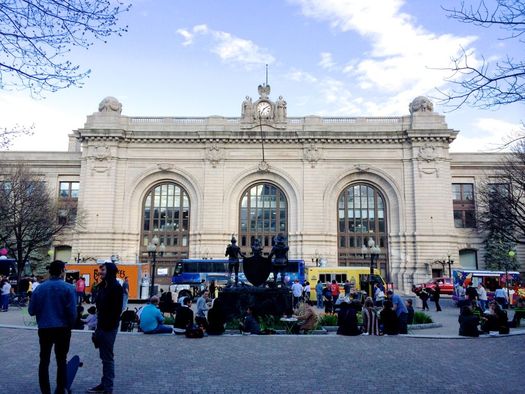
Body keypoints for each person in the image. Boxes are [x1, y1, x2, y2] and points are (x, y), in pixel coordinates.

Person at [28, 260, 77, 394]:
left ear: (50, 271)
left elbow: (31, 310)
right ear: (62, 271)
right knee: (61, 360)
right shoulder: (69, 288)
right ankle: (60, 389)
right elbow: (72, 312)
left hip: (44, 328)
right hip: (62, 328)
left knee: (44, 360)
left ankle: (45, 391)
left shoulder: (39, 288)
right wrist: (71, 325)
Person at [87, 262, 123, 394]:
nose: (100, 272)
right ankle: (104, 383)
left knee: (107, 357)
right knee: (104, 356)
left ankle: (108, 387)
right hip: (101, 325)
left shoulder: (116, 288)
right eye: (100, 270)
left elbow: (116, 310)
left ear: (110, 271)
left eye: (103, 270)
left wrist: (106, 326)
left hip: (108, 327)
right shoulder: (102, 286)